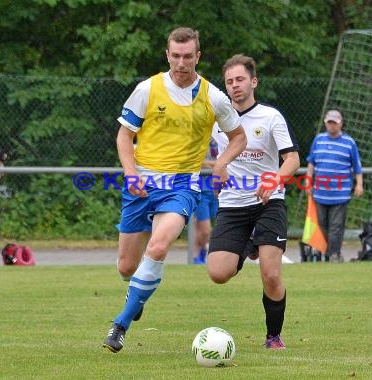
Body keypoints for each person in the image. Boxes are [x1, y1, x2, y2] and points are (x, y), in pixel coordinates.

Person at [103, 27, 247, 353]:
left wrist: (221, 163)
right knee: (127, 266)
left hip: (182, 184)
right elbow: (124, 136)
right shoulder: (147, 89)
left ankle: (120, 325)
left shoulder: (213, 97)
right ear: (168, 55)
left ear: (198, 56)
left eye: (188, 56)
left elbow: (238, 136)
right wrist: (129, 174)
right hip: (142, 183)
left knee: (159, 245)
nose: (181, 62)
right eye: (176, 55)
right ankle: (136, 294)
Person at [207, 54, 300, 350]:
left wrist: (275, 180)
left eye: (240, 79)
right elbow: (204, 155)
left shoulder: (271, 117)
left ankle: (273, 336)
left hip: (268, 202)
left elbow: (292, 159)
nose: (235, 86)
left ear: (253, 82)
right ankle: (249, 244)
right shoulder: (217, 120)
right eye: (229, 82)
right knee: (218, 273)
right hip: (232, 205)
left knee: (271, 275)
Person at [306, 109, 363, 263]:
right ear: (325, 123)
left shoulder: (349, 142)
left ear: (341, 124)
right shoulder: (318, 140)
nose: (332, 126)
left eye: (335, 123)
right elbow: (311, 162)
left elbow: (357, 166)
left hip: (341, 193)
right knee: (322, 225)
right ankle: (326, 252)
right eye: (329, 123)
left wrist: (359, 184)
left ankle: (334, 254)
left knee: (336, 227)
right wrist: (308, 179)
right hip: (320, 193)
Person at [192, 139, 219, 264]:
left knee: (200, 228)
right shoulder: (198, 138)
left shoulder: (221, 139)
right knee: (205, 229)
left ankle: (197, 254)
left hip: (217, 188)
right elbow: (197, 162)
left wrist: (215, 164)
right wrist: (217, 165)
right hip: (200, 189)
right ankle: (200, 253)